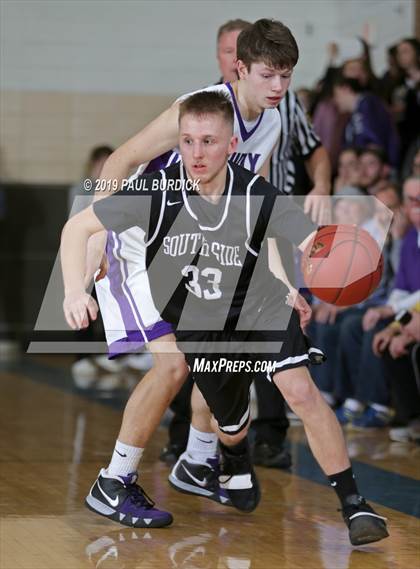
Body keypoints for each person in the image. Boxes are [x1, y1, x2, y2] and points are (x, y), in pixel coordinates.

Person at [61, 91, 389, 545]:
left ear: (231, 146)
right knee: (232, 425)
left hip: (261, 306)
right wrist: (73, 290)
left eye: (209, 142)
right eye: (188, 141)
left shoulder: (255, 191)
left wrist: (333, 267)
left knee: (301, 391)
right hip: (203, 325)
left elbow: (312, 241)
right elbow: (76, 227)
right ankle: (223, 459)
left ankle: (355, 506)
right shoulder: (154, 194)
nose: (197, 153)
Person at [77, 19, 310, 527]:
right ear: (240, 68)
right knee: (173, 365)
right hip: (141, 240)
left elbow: (255, 207)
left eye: (285, 77)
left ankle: (199, 459)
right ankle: (112, 482)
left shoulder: (270, 122)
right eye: (268, 76)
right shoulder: (200, 107)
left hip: (197, 252)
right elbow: (122, 157)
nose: (277, 88)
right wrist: (95, 236)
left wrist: (283, 283)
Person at [333, 76, 400, 169]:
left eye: (336, 95)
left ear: (346, 89)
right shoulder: (353, 115)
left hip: (377, 169)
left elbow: (373, 141)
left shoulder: (368, 104)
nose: (335, 101)